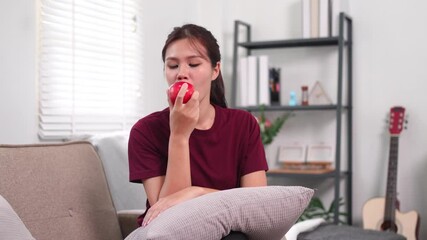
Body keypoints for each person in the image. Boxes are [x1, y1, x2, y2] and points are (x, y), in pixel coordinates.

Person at [128, 23, 268, 239]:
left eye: (193, 64)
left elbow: (255, 207)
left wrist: (197, 192)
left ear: (215, 70)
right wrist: (180, 135)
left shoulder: (243, 124)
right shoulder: (145, 131)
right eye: (172, 66)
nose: (182, 74)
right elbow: (170, 218)